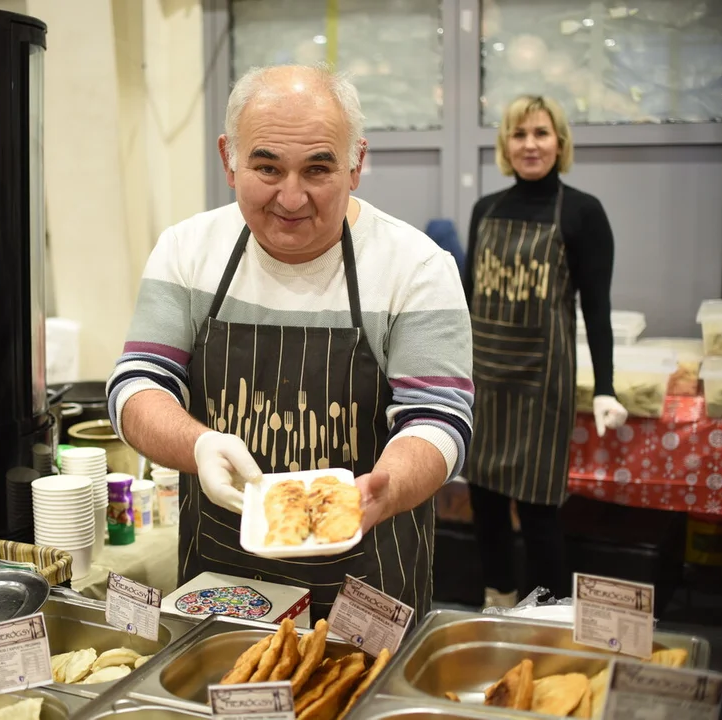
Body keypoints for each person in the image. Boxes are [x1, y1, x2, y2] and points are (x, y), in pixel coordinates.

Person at [107, 65, 473, 619]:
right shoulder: (186, 251)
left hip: (367, 582)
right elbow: (137, 385)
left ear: (356, 163)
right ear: (229, 158)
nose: (292, 196)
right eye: (267, 167)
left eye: (318, 168)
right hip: (221, 588)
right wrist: (199, 445)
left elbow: (438, 418)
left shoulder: (416, 267)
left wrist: (386, 489)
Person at [462, 95, 627, 608]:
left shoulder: (583, 212)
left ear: (560, 142)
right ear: (505, 145)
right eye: (519, 134)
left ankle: (546, 615)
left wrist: (605, 387)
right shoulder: (485, 209)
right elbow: (468, 301)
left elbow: (596, 310)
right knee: (484, 504)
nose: (530, 145)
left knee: (538, 512)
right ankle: (497, 601)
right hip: (484, 380)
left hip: (541, 383)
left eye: (540, 133)